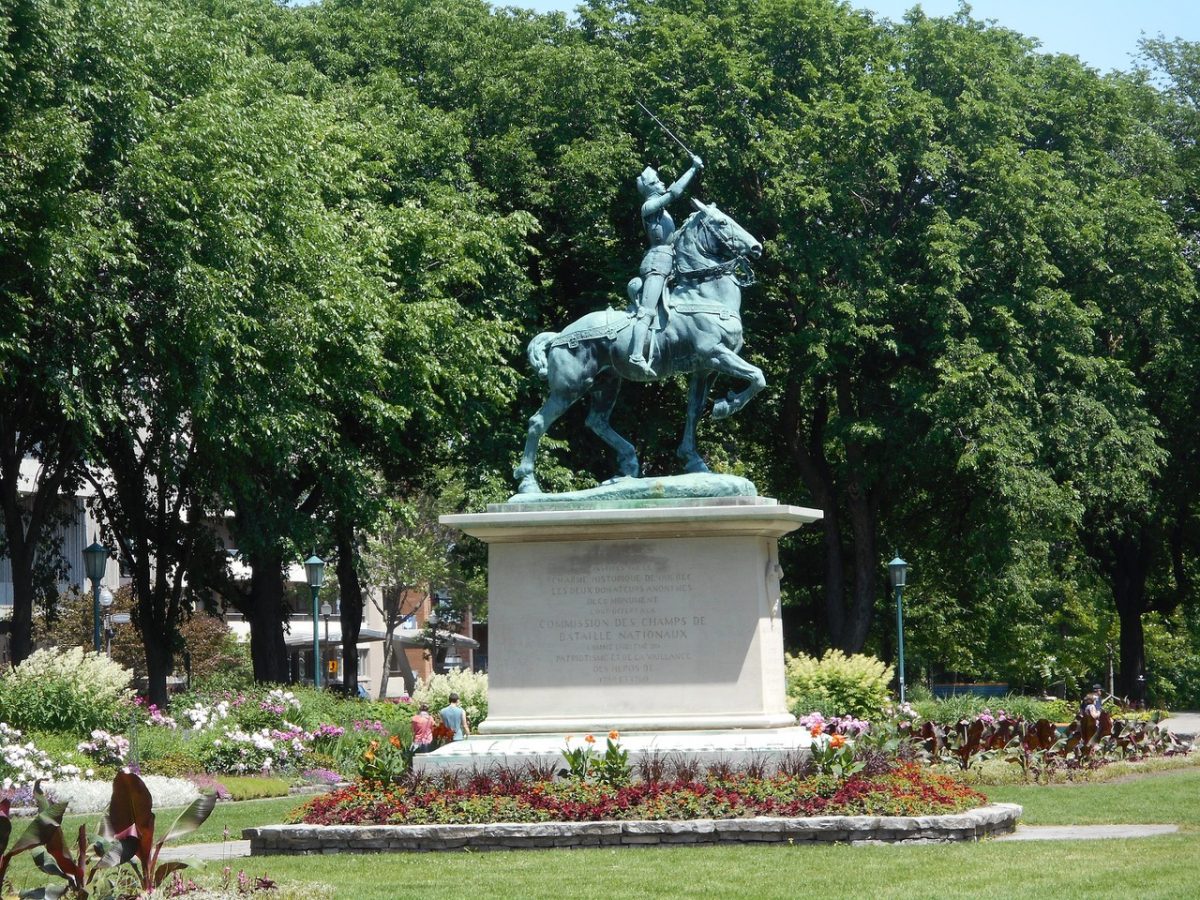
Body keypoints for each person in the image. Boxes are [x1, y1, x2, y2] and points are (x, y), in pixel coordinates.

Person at [628, 154, 704, 375]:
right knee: (648, 310)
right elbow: (675, 192)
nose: (662, 183)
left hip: (670, 261)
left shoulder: (663, 212)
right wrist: (692, 169)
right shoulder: (649, 206)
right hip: (656, 263)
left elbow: (674, 237)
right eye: (659, 181)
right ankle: (635, 356)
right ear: (651, 186)